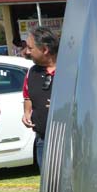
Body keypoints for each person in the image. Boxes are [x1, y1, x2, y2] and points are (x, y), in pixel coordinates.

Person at [21, 27, 58, 169]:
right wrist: (26, 113)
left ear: (45, 49)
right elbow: (27, 97)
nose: (27, 52)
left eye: (30, 48)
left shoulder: (70, 70)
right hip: (43, 141)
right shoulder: (32, 72)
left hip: (68, 142)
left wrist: (61, 105)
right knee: (48, 183)